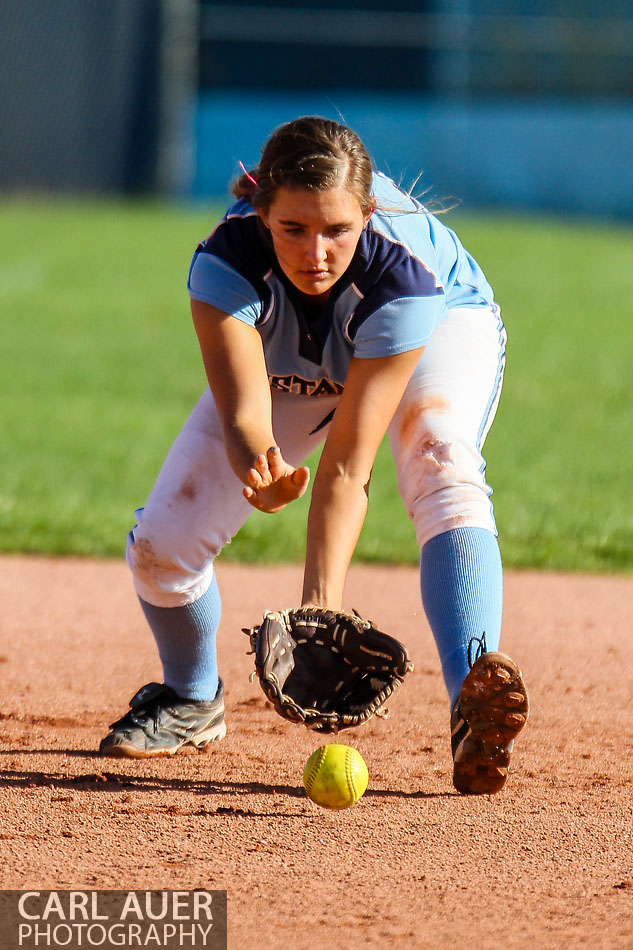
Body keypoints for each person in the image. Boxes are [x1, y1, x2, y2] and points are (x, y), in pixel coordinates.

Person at [99, 116, 528, 794]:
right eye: (293, 228)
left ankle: (472, 696)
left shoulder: (403, 278)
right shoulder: (226, 261)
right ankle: (189, 699)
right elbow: (243, 411)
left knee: (439, 456)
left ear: (367, 212)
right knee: (162, 541)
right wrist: (258, 464)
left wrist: (317, 608)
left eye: (336, 229)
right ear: (261, 209)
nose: (315, 251)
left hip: (438, 323)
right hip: (288, 336)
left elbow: (348, 467)